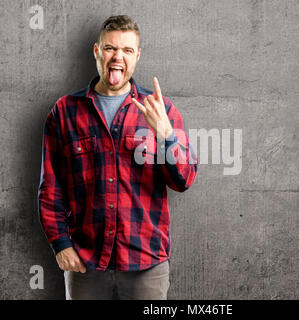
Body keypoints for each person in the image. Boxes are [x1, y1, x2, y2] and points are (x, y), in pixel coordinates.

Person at [37, 14, 198, 300]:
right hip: (85, 264)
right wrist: (60, 243)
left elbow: (184, 179)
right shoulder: (65, 112)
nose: (117, 57)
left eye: (126, 50)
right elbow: (50, 189)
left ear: (137, 56)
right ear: (97, 52)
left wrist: (166, 136)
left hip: (146, 264)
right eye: (110, 48)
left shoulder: (161, 110)